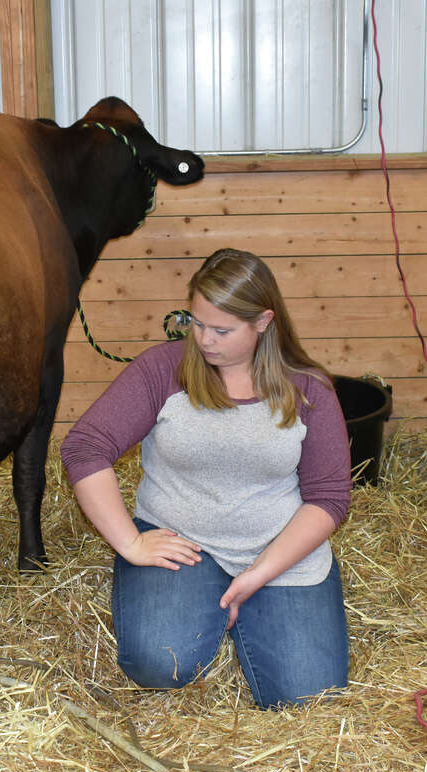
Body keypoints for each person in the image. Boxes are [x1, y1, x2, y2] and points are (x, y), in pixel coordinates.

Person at [60, 247, 352, 709]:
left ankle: (249, 608)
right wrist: (132, 544)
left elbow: (329, 496)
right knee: (161, 665)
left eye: (221, 329)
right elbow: (85, 448)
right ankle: (205, 605)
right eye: (195, 322)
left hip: (278, 548)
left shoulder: (308, 388)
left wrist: (258, 574)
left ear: (263, 322)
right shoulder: (164, 370)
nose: (205, 339)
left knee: (309, 698)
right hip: (182, 541)